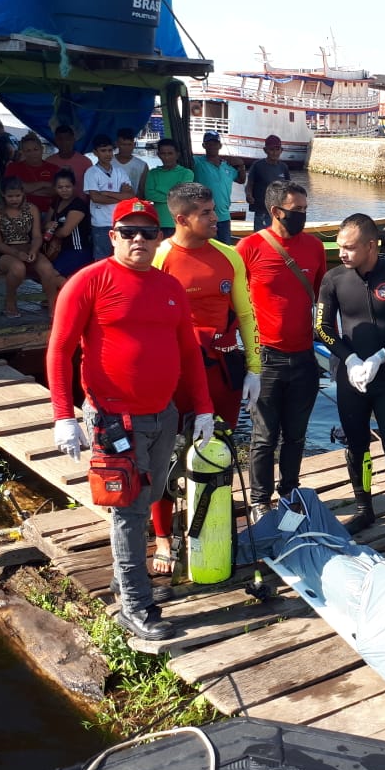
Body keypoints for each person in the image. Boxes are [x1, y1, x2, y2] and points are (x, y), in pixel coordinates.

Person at [47, 198, 214, 641]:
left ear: (160, 237)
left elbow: (188, 353)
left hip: (164, 414)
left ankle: (125, 580)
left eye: (147, 232)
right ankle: (135, 606)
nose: (138, 239)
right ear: (113, 235)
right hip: (113, 418)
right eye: (129, 232)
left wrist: (204, 407)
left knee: (152, 495)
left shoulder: (170, 286)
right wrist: (63, 416)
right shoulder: (88, 282)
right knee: (127, 510)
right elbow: (60, 350)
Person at [148, 182, 262, 573]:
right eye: (207, 214)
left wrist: (254, 369)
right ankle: (162, 536)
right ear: (181, 219)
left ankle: (211, 523)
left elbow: (246, 315)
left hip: (223, 369)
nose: (217, 218)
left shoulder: (229, 255)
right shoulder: (160, 256)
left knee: (219, 452)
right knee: (164, 455)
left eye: (215, 211)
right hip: (176, 371)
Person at [315, 213, 385, 553]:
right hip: (351, 377)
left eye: (349, 247)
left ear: (371, 245)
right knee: (356, 445)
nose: (342, 252)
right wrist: (349, 360)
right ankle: (365, 508)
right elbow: (322, 328)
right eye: (340, 246)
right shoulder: (333, 279)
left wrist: (381, 357)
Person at [236, 180, 326, 516]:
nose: (303, 215)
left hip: (304, 356)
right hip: (266, 358)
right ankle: (260, 501)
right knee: (263, 437)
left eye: (304, 209)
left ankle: (289, 491)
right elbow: (235, 303)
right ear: (276, 211)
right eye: (297, 210)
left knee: (296, 435)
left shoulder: (315, 248)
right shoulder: (248, 248)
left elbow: (317, 295)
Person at [0, 177, 64, 317]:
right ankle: (10, 300)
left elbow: (36, 236)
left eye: (17, 195)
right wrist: (16, 253)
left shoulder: (32, 209)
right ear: (3, 194)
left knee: (47, 268)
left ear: (23, 193)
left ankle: (53, 306)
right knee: (18, 268)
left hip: (29, 248)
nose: (14, 199)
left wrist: (34, 250)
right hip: (5, 251)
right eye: (10, 196)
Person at [84, 134, 135, 261]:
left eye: (110, 150)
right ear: (95, 153)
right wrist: (120, 197)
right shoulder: (91, 172)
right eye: (103, 151)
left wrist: (107, 193)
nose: (107, 154)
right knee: (102, 259)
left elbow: (131, 196)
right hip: (101, 224)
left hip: (120, 222)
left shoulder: (120, 172)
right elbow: (95, 198)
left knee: (122, 258)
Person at [192, 131, 245, 244]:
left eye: (215, 143)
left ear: (220, 145)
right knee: (206, 249)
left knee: (225, 248)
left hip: (224, 217)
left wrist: (241, 166)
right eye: (209, 143)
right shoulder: (197, 162)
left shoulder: (227, 166)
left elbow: (241, 180)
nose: (212, 146)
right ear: (203, 145)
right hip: (204, 216)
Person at [138, 138, 194, 238]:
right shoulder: (153, 173)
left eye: (170, 153)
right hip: (157, 222)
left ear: (177, 155)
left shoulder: (186, 173)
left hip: (179, 223)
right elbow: (149, 195)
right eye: (163, 153)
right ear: (158, 155)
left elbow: (182, 196)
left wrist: (160, 194)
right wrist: (173, 195)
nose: (166, 157)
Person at [46, 168, 93, 278]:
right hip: (59, 250)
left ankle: (72, 295)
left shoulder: (78, 205)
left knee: (50, 276)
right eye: (60, 187)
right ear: (55, 188)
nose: (64, 190)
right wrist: (47, 226)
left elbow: (65, 232)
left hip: (77, 251)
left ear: (74, 186)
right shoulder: (56, 202)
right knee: (44, 273)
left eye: (68, 187)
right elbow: (46, 223)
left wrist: (51, 230)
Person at [4, 132, 59, 216]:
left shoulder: (54, 168)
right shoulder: (13, 167)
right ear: (23, 152)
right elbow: (12, 190)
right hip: (21, 213)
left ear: (42, 149)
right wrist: (43, 184)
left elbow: (56, 191)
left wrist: (27, 190)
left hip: (49, 213)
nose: (33, 153)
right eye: (28, 150)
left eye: (35, 149)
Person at [244, 134, 290, 232]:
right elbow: (249, 184)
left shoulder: (283, 167)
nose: (275, 152)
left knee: (278, 239)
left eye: (277, 149)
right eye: (271, 149)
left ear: (281, 150)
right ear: (265, 150)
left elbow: (288, 188)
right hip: (262, 211)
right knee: (261, 239)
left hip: (279, 211)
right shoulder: (257, 165)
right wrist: (248, 195)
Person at [45, 124, 93, 195]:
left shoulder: (86, 162)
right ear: (55, 140)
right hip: (56, 204)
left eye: (67, 139)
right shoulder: (49, 161)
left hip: (81, 204)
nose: (64, 142)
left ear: (73, 140)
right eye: (60, 139)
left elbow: (91, 189)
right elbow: (47, 186)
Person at [113, 127, 146, 192]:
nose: (127, 148)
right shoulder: (107, 162)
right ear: (117, 144)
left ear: (134, 145)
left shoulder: (142, 165)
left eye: (129, 144)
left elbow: (142, 190)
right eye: (123, 144)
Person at [0, 118, 18, 183]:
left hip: (6, 171)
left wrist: (8, 162)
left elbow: (11, 150)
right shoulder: (11, 136)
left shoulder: (2, 138)